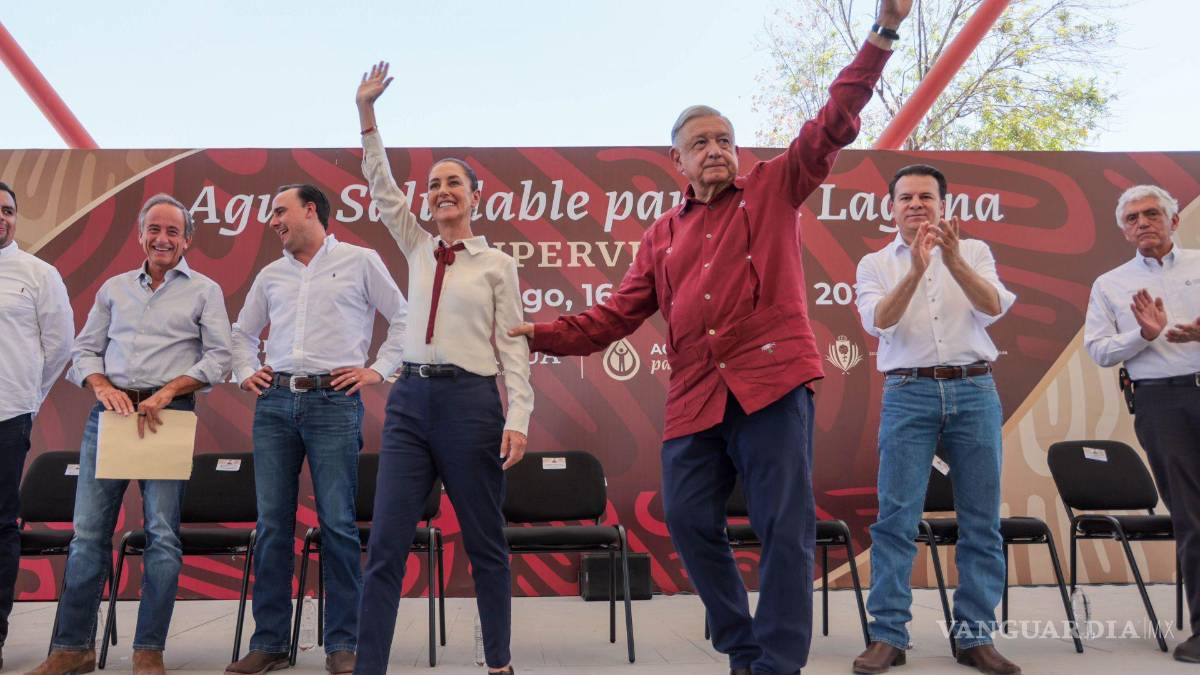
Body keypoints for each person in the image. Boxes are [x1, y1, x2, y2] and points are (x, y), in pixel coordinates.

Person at [508, 3, 911, 673]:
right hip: (695, 398)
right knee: (690, 521)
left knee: (784, 526)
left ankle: (775, 662)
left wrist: (883, 33)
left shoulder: (774, 187)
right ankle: (741, 645)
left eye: (724, 139)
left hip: (772, 385)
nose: (716, 149)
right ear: (678, 160)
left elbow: (833, 122)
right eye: (700, 142)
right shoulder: (661, 236)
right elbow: (613, 317)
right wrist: (538, 335)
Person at [352, 62, 533, 675]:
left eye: (453, 182)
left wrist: (519, 416)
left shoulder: (497, 265)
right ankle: (369, 666)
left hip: (471, 406)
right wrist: (367, 113)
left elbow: (513, 348)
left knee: (486, 544)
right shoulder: (416, 244)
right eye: (433, 185)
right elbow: (381, 187)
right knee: (385, 545)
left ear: (474, 195)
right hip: (410, 404)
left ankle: (499, 663)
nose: (441, 191)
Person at [27, 194, 232, 675]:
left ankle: (148, 650)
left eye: (173, 231)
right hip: (111, 416)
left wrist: (169, 390)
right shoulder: (113, 289)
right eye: (154, 229)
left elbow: (220, 358)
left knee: (162, 535)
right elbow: (84, 351)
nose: (162, 238)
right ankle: (72, 648)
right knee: (87, 535)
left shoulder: (205, 291)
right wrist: (100, 385)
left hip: (168, 416)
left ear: (187, 240)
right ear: (140, 235)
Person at [225, 184, 407, 675]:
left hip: (334, 402)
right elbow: (241, 334)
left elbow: (404, 318)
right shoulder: (271, 274)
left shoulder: (360, 261)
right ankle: (269, 643)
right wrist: (246, 370)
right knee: (271, 527)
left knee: (338, 525)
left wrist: (378, 369)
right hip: (275, 402)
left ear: (310, 211)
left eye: (279, 211)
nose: (273, 221)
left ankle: (343, 643)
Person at [851, 165, 1018, 675]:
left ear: (944, 205)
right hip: (908, 391)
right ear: (892, 207)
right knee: (896, 519)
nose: (916, 205)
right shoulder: (874, 263)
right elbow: (879, 320)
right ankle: (888, 636)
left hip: (974, 388)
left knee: (981, 520)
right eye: (906, 198)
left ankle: (975, 638)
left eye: (926, 196)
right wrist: (918, 269)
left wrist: (951, 259)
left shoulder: (975, 252)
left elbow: (993, 306)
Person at [1084, 184, 1200, 663]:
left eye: (1151, 213)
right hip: (1161, 402)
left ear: (1174, 220)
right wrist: (1142, 335)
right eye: (1132, 218)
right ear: (1124, 231)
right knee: (1192, 516)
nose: (1142, 223)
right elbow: (1099, 349)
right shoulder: (1110, 284)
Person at [0, 181, 74, 670]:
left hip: (7, 417)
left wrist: (27, 399)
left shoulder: (38, 273)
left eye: (8, 210)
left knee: (0, 526)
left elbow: (60, 346)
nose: (1, 217)